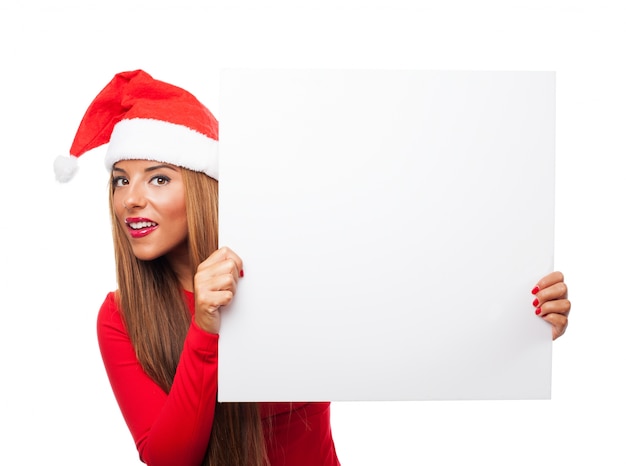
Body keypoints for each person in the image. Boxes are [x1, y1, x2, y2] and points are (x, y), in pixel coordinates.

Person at [54, 69, 570, 466]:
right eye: (121, 180)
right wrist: (205, 329)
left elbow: (405, 326)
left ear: (205, 187)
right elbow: (169, 457)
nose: (131, 200)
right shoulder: (120, 316)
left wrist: (516, 330)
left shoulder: (291, 268)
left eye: (158, 179)